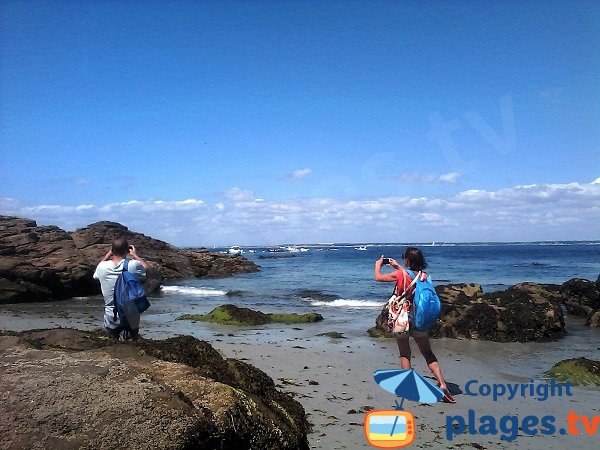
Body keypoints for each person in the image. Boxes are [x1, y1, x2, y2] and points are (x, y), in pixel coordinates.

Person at [374, 247, 456, 403]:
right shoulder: (425, 276)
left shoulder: (400, 274)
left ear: (407, 260)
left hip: (402, 319)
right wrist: (398, 266)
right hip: (419, 318)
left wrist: (378, 264)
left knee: (405, 353)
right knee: (427, 353)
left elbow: (378, 277)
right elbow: (412, 278)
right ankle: (443, 384)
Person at [93, 238, 150, 340]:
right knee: (131, 347)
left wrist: (108, 254)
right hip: (131, 316)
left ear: (112, 250)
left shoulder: (101, 267)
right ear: (127, 250)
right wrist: (135, 255)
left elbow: (96, 274)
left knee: (110, 345)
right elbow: (146, 268)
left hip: (111, 315)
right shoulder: (132, 264)